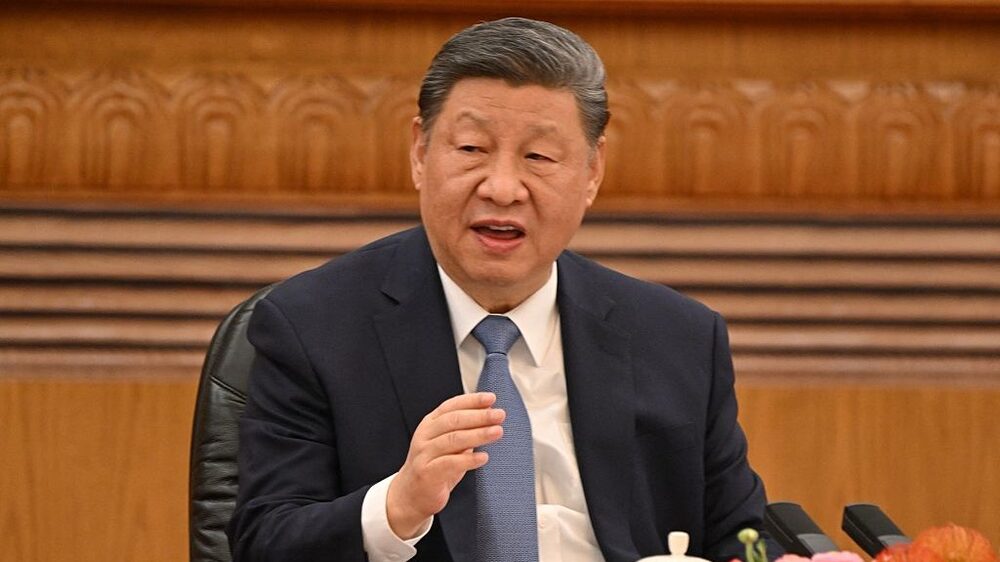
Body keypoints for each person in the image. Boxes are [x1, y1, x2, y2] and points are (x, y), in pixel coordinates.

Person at [228, 16, 776, 562]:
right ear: (420, 152)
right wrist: (397, 506)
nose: (503, 188)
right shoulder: (313, 326)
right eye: (471, 149)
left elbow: (743, 536)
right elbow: (266, 541)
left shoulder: (678, 337)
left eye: (538, 157)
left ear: (592, 171)